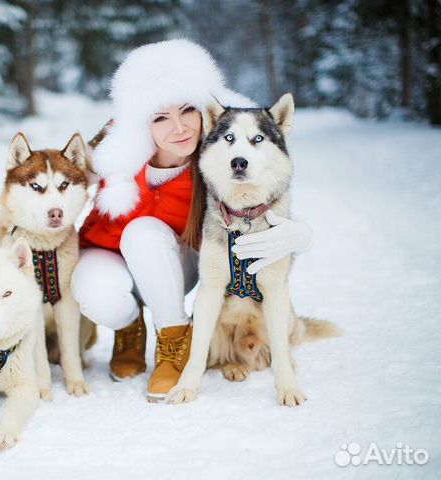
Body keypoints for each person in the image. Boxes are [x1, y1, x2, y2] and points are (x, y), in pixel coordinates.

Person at [70, 39, 312, 401]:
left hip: (174, 261)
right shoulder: (114, 149)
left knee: (143, 232)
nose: (179, 128)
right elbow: (53, 181)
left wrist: (301, 236)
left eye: (187, 110)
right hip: (107, 253)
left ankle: (172, 338)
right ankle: (129, 326)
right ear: (141, 122)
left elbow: (268, 173)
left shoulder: (218, 155)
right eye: (160, 117)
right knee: (95, 291)